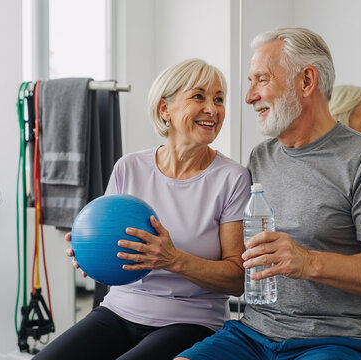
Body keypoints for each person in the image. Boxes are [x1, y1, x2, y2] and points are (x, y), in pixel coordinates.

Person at [177, 27, 361, 360]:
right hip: (254, 333)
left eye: (261, 80)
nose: (248, 97)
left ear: (306, 81)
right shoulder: (262, 156)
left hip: (337, 341)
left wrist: (308, 262)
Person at [33, 58, 251, 360]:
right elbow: (110, 252)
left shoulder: (232, 178)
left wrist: (173, 259)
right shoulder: (130, 167)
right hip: (120, 309)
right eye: (198, 96)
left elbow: (238, 279)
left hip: (192, 320)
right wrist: (90, 253)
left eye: (219, 99)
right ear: (165, 110)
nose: (212, 110)